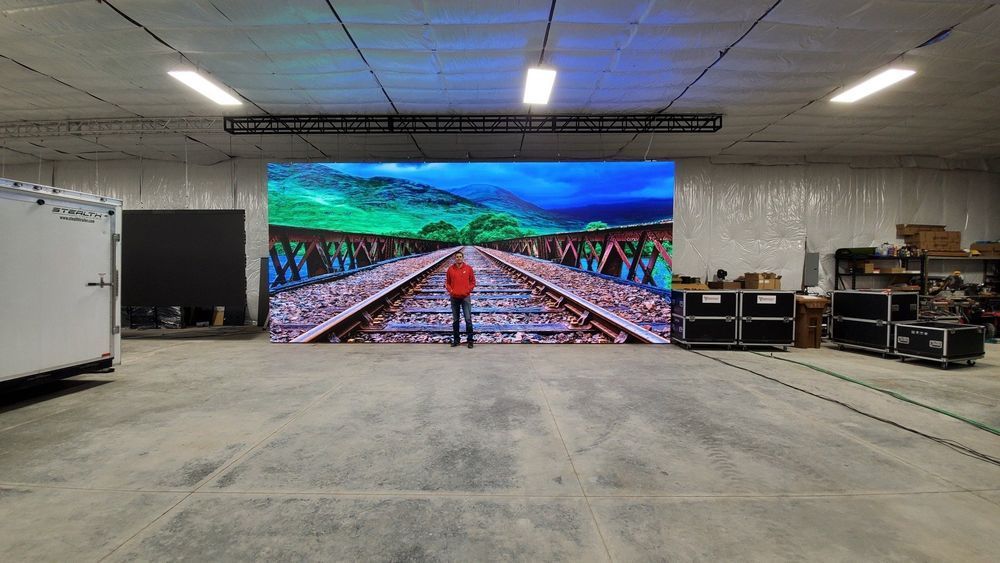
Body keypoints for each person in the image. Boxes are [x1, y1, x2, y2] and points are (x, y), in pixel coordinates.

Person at [445, 251, 476, 348]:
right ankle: (456, 340)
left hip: (465, 297)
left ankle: (470, 340)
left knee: (468, 319)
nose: (458, 258)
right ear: (455, 258)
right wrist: (451, 291)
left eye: (460, 257)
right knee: (455, 320)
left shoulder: (468, 268)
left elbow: (473, 281)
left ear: (463, 258)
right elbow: (447, 282)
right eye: (457, 257)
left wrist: (467, 291)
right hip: (454, 297)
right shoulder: (450, 269)